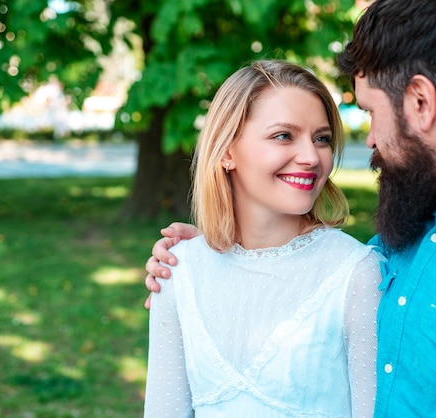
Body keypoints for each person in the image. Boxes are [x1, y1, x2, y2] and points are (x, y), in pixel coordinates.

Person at [145, 0, 436, 416]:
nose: (369, 140)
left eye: (370, 111)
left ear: (421, 102)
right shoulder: (426, 218)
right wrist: (225, 252)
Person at [143, 59, 382, 417]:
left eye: (322, 139)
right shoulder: (178, 270)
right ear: (226, 151)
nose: (311, 157)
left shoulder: (357, 274)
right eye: (283, 135)